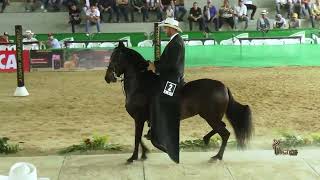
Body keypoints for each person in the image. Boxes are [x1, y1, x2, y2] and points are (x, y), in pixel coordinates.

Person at [147, 17, 185, 163]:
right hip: (169, 76)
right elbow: (166, 61)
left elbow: (173, 65)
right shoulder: (174, 41)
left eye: (166, 28)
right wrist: (154, 64)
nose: (164, 30)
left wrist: (156, 68)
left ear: (172, 29)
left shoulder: (176, 43)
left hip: (172, 79)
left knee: (162, 100)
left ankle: (161, 134)